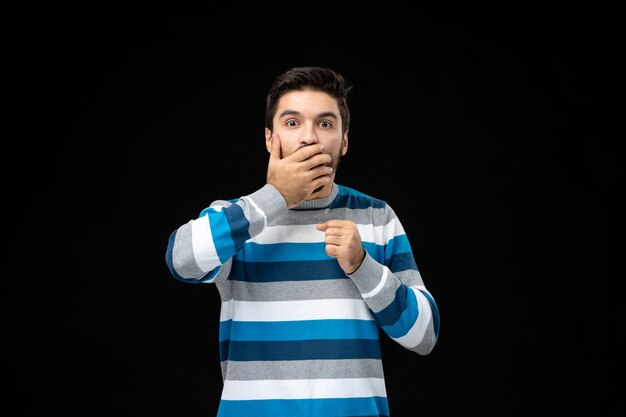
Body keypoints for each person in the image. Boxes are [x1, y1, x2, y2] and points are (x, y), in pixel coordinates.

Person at [165, 66, 440, 417]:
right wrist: (275, 196)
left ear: (344, 140)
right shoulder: (237, 217)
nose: (309, 138)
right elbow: (181, 261)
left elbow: (425, 336)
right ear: (269, 138)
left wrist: (363, 267)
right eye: (292, 123)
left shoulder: (377, 217)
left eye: (324, 124)